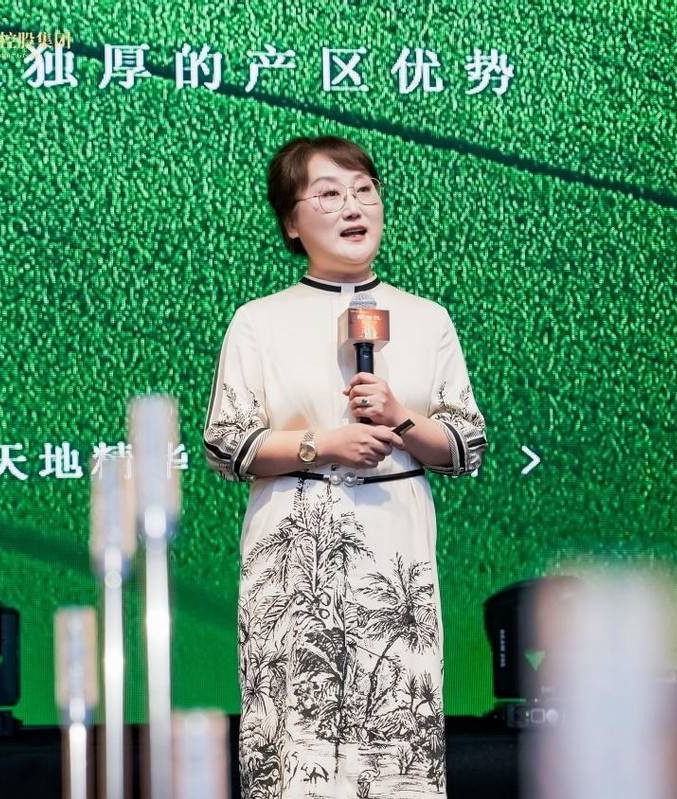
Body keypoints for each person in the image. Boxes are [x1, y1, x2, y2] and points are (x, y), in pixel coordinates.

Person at [202, 135, 487, 799]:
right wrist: (322, 446)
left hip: (393, 545)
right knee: (298, 735)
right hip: (295, 547)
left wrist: (400, 418)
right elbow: (226, 445)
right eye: (329, 195)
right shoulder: (259, 322)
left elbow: (466, 445)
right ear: (291, 223)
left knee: (395, 726)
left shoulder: (426, 318)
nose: (353, 207)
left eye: (364, 191)